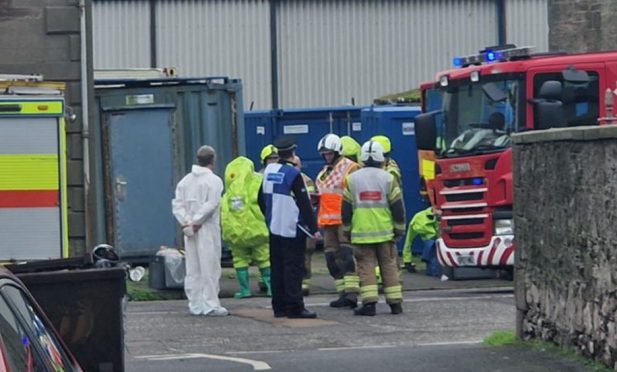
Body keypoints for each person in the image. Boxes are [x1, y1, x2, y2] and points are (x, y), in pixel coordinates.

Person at [258, 136, 321, 319]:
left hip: (274, 226)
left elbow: (260, 198)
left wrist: (269, 215)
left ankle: (279, 307)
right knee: (293, 267)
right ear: (293, 154)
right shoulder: (293, 174)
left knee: (277, 267)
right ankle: (295, 306)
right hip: (291, 227)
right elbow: (304, 202)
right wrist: (313, 227)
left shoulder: (269, 171)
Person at [342, 140, 406, 316]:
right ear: (381, 158)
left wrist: (346, 230)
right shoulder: (388, 178)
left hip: (361, 234)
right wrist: (399, 229)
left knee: (366, 267)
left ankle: (369, 305)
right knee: (389, 265)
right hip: (385, 233)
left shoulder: (352, 179)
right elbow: (398, 207)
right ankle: (395, 304)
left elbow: (346, 209)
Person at [172, 145, 228, 316]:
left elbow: (177, 204)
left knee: (193, 267)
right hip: (207, 228)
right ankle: (211, 304)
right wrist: (197, 221)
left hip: (189, 229)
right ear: (213, 159)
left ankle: (195, 304)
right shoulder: (215, 181)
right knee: (209, 265)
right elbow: (211, 204)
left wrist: (186, 222)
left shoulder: (185, 181)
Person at [316, 133, 361, 309]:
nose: (326, 156)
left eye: (329, 153)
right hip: (328, 223)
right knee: (331, 259)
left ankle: (351, 294)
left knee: (347, 256)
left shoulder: (351, 168)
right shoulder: (324, 173)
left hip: (344, 220)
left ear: (337, 152)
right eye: (324, 154)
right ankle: (342, 293)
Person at [221, 156, 271, 298]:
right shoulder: (258, 182)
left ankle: (245, 290)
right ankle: (271, 289)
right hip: (257, 231)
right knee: (265, 259)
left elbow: (224, 213)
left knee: (240, 260)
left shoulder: (229, 191)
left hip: (236, 234)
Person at [293, 154, 319, 296]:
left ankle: (304, 284)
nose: (296, 167)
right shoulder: (288, 178)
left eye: (297, 165)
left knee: (306, 254)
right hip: (293, 223)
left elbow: (311, 203)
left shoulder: (307, 181)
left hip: (305, 223)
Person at [401, 206, 438, 273]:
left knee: (430, 243)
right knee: (431, 243)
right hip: (421, 222)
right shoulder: (421, 219)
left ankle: (409, 262)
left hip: (423, 221)